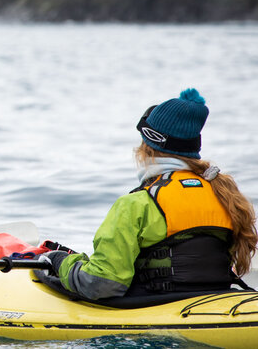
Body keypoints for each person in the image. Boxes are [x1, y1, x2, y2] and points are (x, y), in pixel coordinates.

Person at [43, 88, 257, 299]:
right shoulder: (224, 194)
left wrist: (61, 261)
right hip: (214, 299)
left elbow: (102, 284)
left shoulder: (137, 203)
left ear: (147, 147)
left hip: (156, 304)